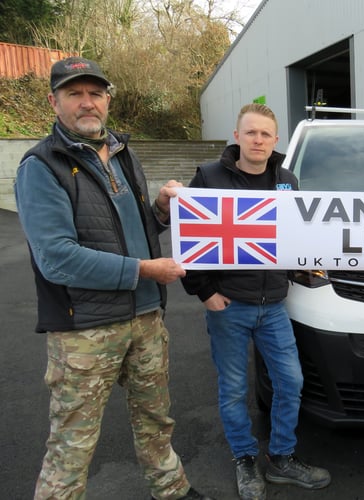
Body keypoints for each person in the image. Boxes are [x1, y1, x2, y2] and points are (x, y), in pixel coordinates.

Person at [14, 57, 212, 500]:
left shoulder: (123, 153)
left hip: (145, 319)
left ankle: (171, 489)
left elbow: (137, 228)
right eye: (74, 94)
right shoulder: (41, 167)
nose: (87, 103)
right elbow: (57, 259)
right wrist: (145, 270)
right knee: (72, 443)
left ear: (107, 99)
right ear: (54, 101)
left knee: (156, 421)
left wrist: (161, 209)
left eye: (95, 93)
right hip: (85, 330)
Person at [180, 103, 331, 500]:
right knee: (232, 389)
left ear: (275, 140)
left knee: (291, 381)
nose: (258, 140)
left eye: (265, 134)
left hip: (274, 306)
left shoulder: (286, 180)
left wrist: (311, 268)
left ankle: (281, 458)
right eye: (251, 133)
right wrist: (205, 292)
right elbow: (189, 240)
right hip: (228, 306)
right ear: (237, 135)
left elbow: (297, 238)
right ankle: (245, 459)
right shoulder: (209, 178)